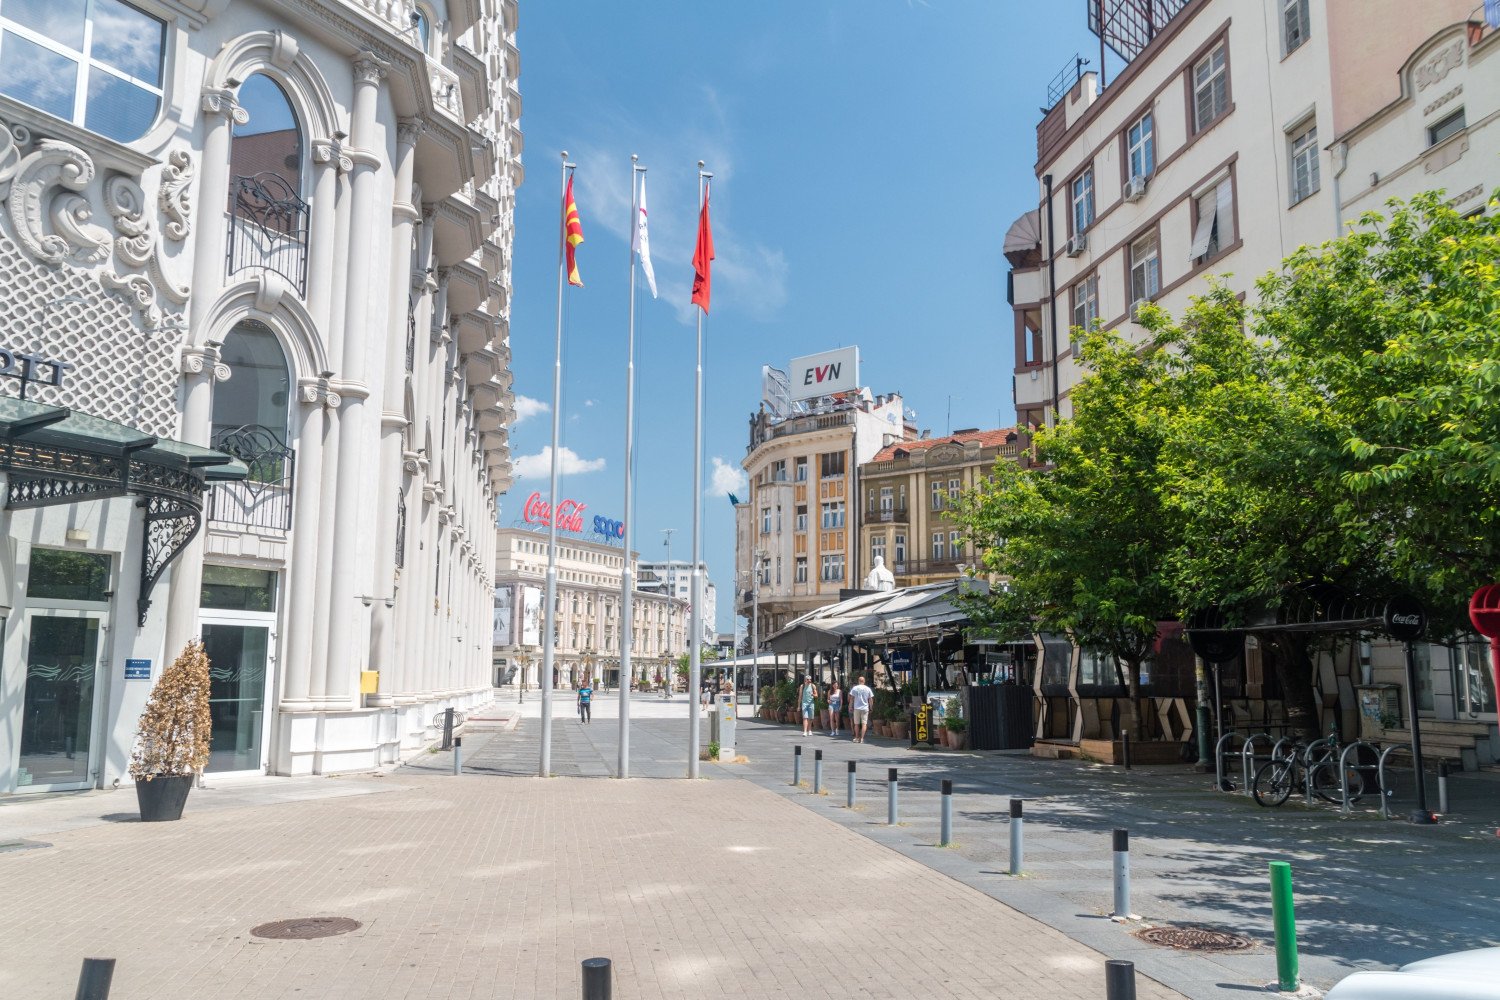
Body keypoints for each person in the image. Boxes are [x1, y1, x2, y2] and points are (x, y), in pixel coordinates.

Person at [849, 674, 874, 744]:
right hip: (865, 708)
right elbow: (870, 699)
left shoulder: (854, 688)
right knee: (864, 724)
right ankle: (862, 739)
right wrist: (871, 707)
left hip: (856, 708)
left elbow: (851, 699)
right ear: (864, 681)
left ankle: (857, 737)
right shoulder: (868, 689)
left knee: (856, 724)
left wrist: (850, 706)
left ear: (858, 681)